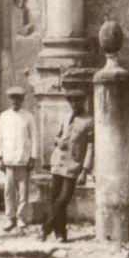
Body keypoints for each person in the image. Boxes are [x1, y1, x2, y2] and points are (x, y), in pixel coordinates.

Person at [39, 82, 93, 243]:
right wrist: (58, 141)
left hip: (73, 165)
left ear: (83, 101)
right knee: (54, 198)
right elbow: (58, 135)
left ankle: (46, 228)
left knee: (63, 199)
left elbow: (91, 146)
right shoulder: (65, 117)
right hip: (58, 162)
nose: (75, 104)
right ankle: (60, 234)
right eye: (72, 101)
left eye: (78, 101)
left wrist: (85, 170)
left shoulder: (89, 121)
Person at [0, 84, 37, 233]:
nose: (15, 101)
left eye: (18, 98)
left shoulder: (29, 116)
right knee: (8, 191)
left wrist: (32, 157)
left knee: (23, 191)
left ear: (22, 99)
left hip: (23, 159)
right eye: (13, 98)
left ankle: (21, 217)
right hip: (8, 160)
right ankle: (9, 217)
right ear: (9, 99)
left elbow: (34, 138)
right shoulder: (4, 116)